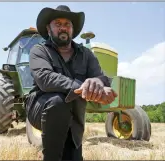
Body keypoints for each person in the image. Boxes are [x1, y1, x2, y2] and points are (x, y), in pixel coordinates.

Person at [25, 5, 117, 161]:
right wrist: (83, 87)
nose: (63, 28)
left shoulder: (86, 54)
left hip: (74, 114)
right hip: (41, 108)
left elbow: (101, 78)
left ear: (72, 29)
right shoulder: (39, 50)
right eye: (58, 24)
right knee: (58, 102)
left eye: (67, 24)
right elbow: (45, 78)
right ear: (49, 28)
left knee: (73, 156)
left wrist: (97, 83)